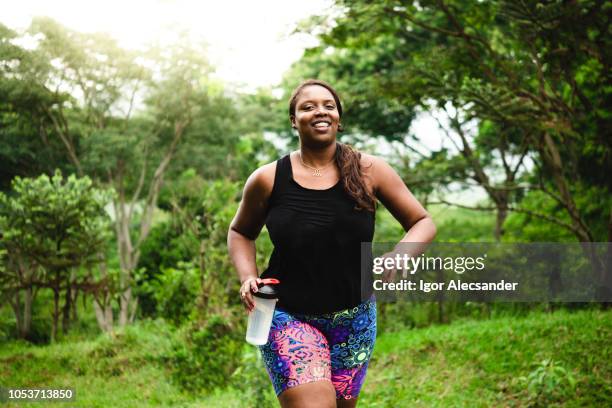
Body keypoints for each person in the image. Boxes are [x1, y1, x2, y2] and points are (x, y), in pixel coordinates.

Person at [228, 79, 436, 408]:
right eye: (307, 107)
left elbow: (422, 222)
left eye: (328, 105)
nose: (320, 111)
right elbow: (240, 231)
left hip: (355, 317)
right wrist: (247, 277)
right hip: (284, 313)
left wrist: (401, 254)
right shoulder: (268, 178)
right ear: (294, 120)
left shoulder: (371, 171)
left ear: (339, 116)